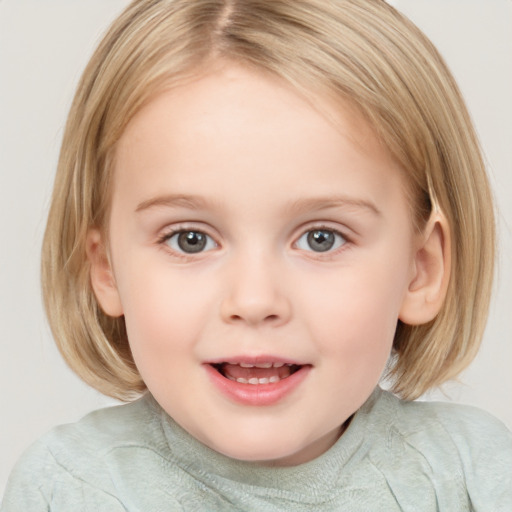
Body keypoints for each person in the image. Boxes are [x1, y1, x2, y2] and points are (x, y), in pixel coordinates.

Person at [2, 0, 511, 510]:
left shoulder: (473, 475)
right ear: (106, 268)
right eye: (190, 239)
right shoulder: (68, 489)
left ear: (421, 270)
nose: (253, 299)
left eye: (321, 238)